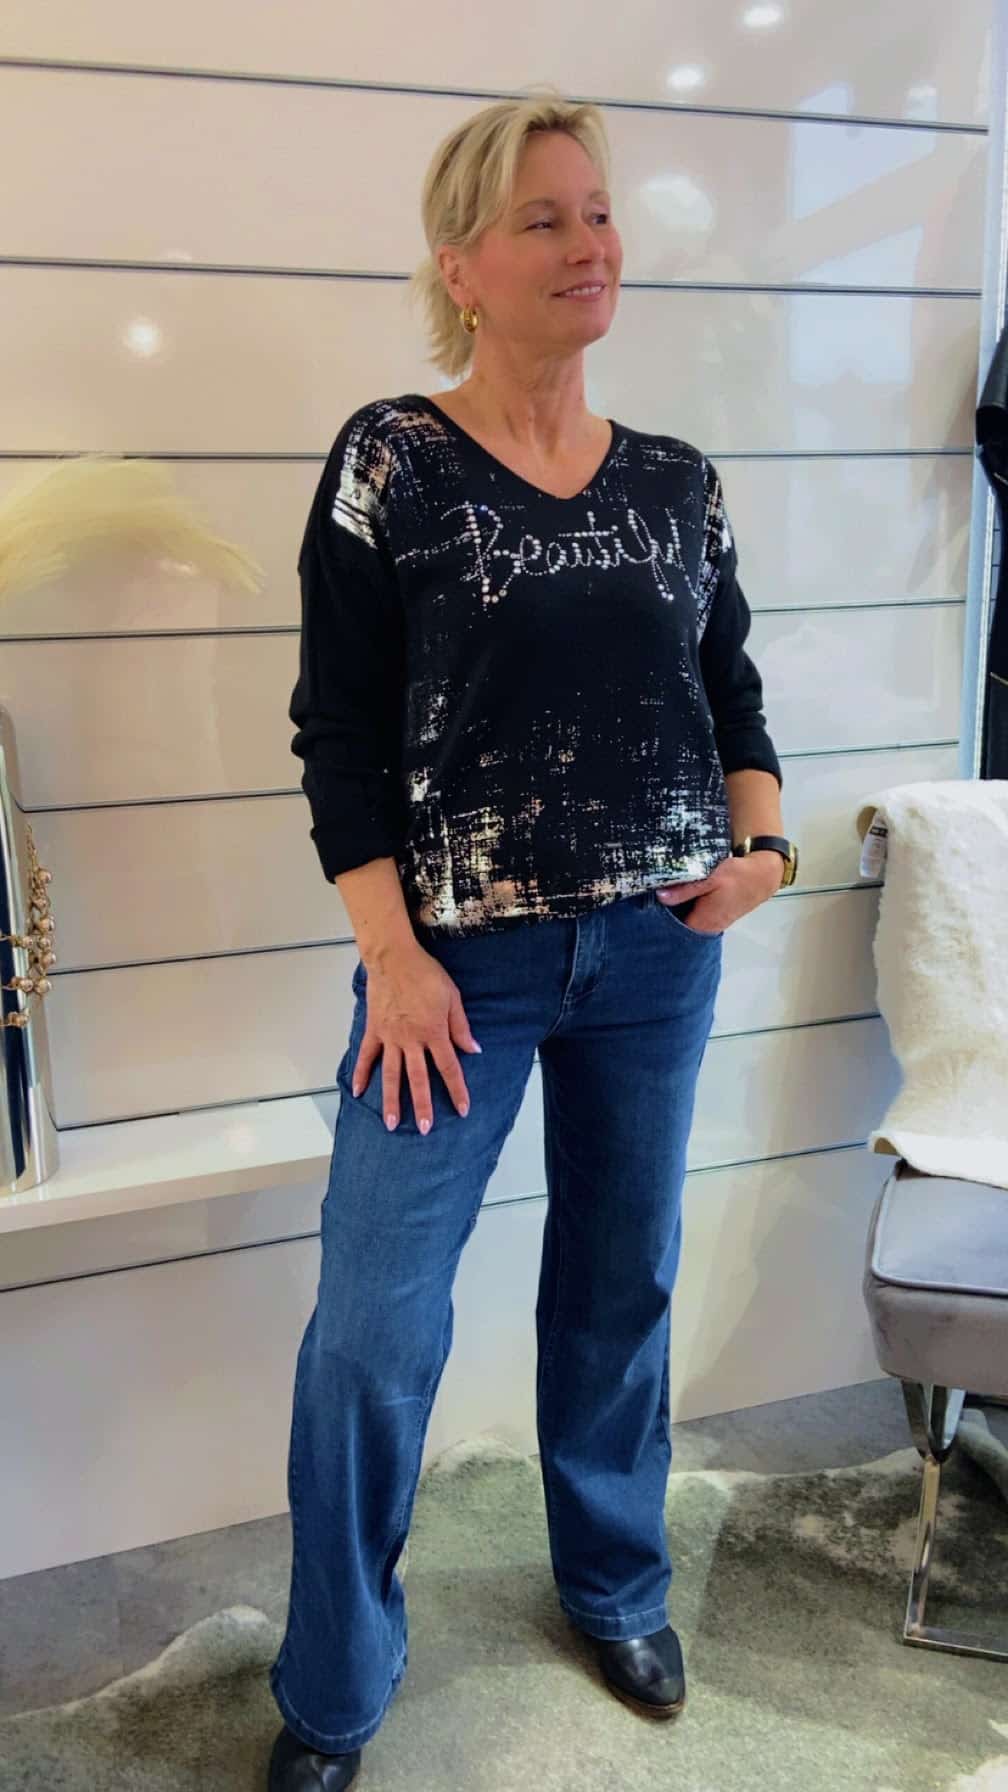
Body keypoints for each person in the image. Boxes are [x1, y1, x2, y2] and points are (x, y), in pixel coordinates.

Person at [266, 89, 797, 1792]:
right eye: (543, 219)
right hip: (455, 972)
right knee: (374, 1326)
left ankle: (617, 1583)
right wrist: (393, 955)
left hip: (656, 950)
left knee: (620, 1282)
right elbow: (338, 735)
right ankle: (335, 1687)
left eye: (600, 212)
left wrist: (763, 854)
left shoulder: (678, 481)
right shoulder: (394, 459)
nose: (589, 246)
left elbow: (731, 699)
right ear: (462, 267)